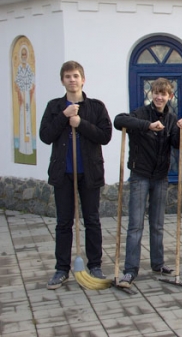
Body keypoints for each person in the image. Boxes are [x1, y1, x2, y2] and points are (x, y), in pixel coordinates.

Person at [39, 60, 112, 290]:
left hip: (89, 172)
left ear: (83, 79)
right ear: (63, 80)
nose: (72, 80)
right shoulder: (54, 107)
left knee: (92, 220)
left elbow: (105, 135)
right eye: (68, 76)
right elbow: (45, 135)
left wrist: (79, 123)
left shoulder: (96, 107)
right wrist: (64, 116)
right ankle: (61, 269)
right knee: (63, 223)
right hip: (64, 173)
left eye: (76, 76)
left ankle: (95, 265)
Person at [113, 78, 182, 288]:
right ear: (151, 94)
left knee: (157, 224)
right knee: (135, 224)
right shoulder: (140, 114)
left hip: (160, 176)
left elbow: (176, 144)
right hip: (140, 175)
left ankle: (158, 263)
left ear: (169, 96)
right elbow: (119, 121)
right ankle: (130, 269)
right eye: (156, 92)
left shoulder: (172, 118)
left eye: (163, 94)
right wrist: (147, 126)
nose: (159, 97)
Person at [14, 46, 35, 155]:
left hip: (27, 95)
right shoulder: (19, 69)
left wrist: (29, 95)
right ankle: (22, 147)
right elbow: (16, 83)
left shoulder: (28, 68)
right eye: (22, 55)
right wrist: (19, 94)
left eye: (25, 54)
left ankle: (29, 148)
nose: (23, 56)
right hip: (22, 95)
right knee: (22, 119)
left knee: (28, 121)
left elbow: (32, 82)